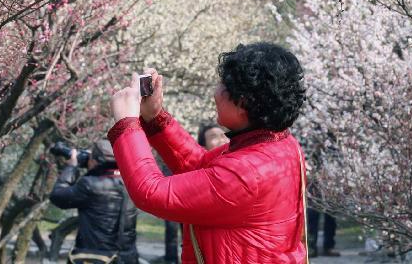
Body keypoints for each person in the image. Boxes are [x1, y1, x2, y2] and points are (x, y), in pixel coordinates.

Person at [107, 42, 309, 263]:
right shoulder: (278, 145)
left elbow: (151, 192)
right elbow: (201, 167)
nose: (215, 93)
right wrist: (155, 117)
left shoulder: (247, 172)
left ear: (242, 102)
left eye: (222, 86)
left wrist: (127, 125)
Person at [49, 139, 139, 264]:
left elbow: (57, 196)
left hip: (95, 258)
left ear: (94, 161)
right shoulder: (132, 183)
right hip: (126, 257)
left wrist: (71, 167)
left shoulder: (90, 185)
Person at [163, 123, 230, 263]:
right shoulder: (195, 175)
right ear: (203, 146)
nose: (221, 140)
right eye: (213, 137)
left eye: (224, 136)